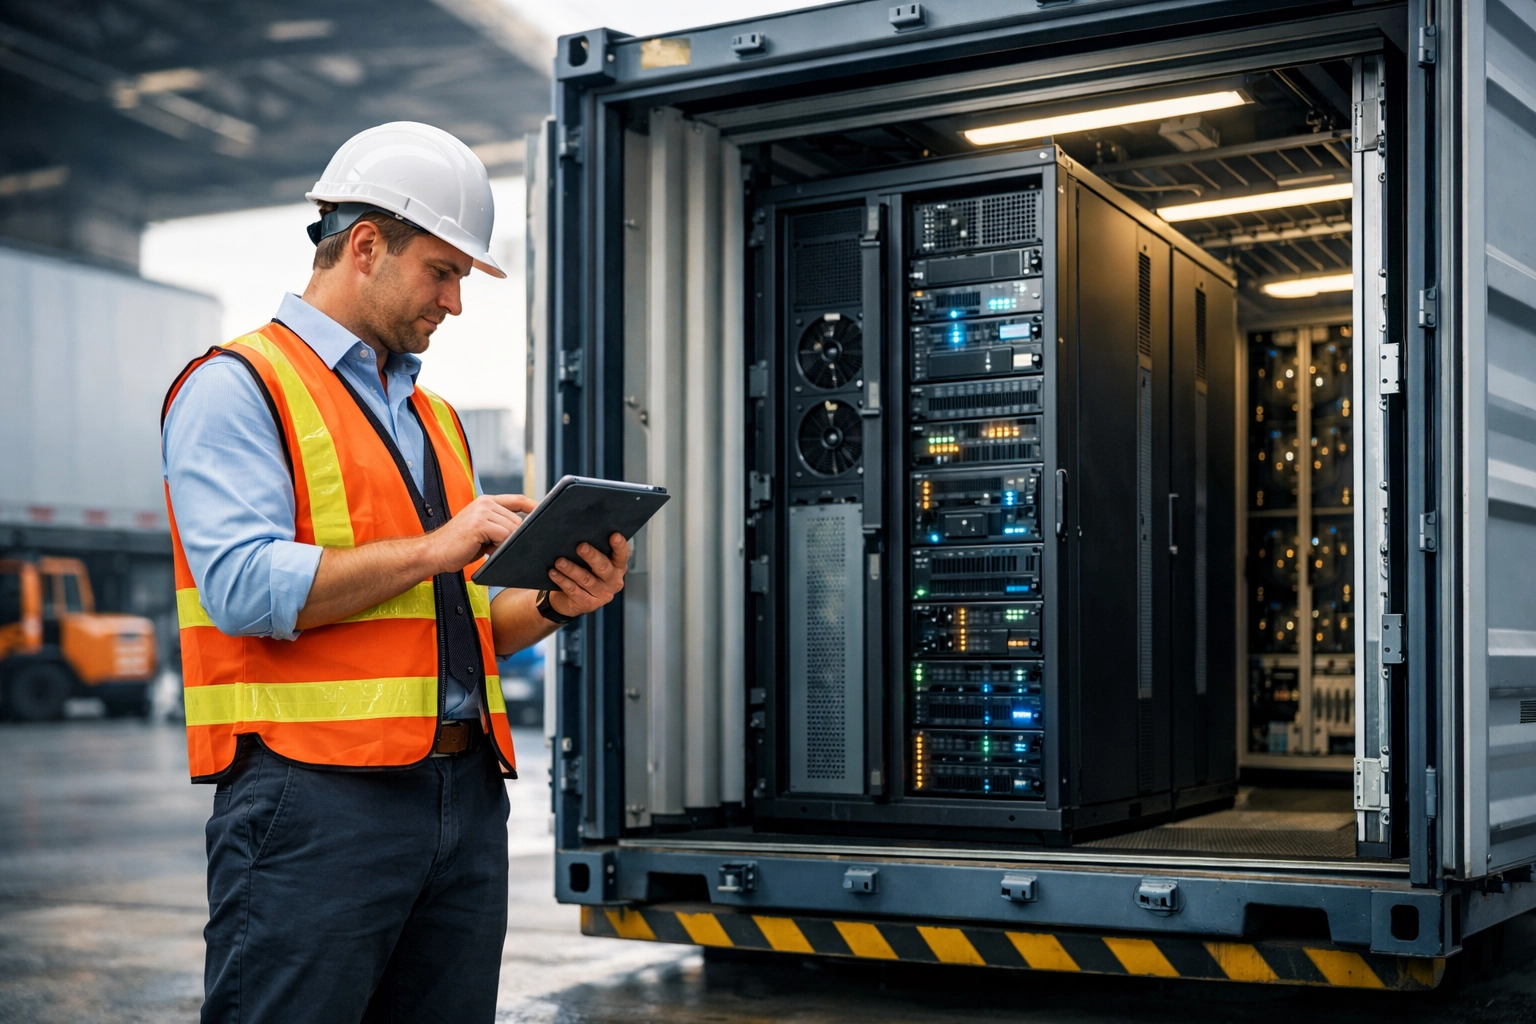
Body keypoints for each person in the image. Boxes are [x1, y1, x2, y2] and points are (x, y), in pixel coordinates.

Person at [160, 121, 627, 1024]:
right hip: (312, 800)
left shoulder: (435, 418)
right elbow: (244, 589)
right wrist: (441, 544)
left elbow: (454, 628)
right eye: (443, 272)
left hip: (462, 798)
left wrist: (563, 601)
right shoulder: (235, 386)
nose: (454, 302)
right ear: (366, 246)